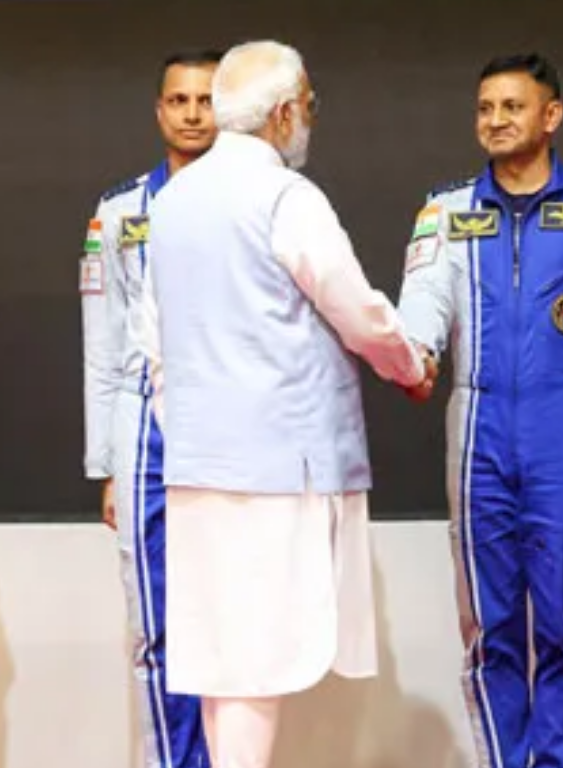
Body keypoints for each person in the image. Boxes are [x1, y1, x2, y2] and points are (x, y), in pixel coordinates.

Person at [134, 40, 435, 768]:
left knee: (221, 661)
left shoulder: (171, 202)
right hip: (277, 467)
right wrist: (409, 364)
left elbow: (153, 343)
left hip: (199, 463)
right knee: (257, 659)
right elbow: (354, 307)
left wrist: (191, 430)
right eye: (308, 106)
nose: (309, 120)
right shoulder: (286, 197)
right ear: (283, 114)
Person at [396, 53, 563, 768]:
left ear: (552, 116)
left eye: (512, 107)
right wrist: (416, 352)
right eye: (485, 108)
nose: (495, 121)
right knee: (491, 631)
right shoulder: (447, 208)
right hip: (478, 432)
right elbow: (424, 298)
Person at [79, 48, 223, 768]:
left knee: (232, 627)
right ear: (159, 110)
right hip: (145, 430)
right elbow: (102, 343)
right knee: (156, 624)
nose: (193, 114)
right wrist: (108, 464)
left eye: (207, 100)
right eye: (179, 100)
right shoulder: (118, 212)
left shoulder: (262, 200)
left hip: (232, 428)